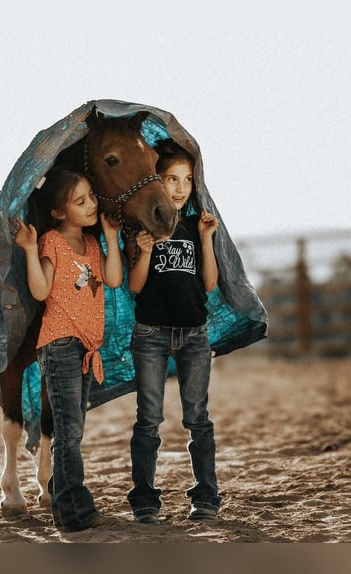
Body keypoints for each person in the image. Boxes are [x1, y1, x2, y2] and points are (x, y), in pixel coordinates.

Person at [10, 168, 123, 532]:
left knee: (73, 430)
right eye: (80, 201)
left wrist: (109, 236)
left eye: (91, 196)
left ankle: (62, 497)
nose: (91, 204)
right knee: (69, 431)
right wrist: (29, 250)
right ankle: (74, 511)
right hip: (60, 345)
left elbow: (115, 278)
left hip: (88, 348)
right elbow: (41, 290)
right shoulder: (52, 242)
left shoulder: (91, 245)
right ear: (59, 213)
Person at [125, 139, 222, 524]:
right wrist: (145, 251)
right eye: (170, 179)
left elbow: (210, 284)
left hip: (194, 335)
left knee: (198, 419)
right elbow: (134, 286)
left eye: (186, 180)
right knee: (148, 419)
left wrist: (207, 240)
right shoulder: (142, 228)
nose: (180, 188)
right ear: (155, 183)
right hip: (150, 334)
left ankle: (206, 496)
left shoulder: (197, 226)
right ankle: (145, 500)